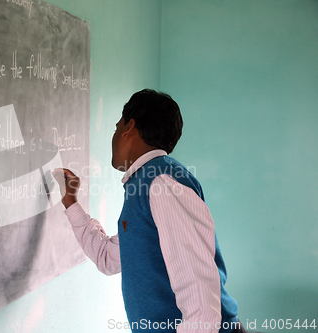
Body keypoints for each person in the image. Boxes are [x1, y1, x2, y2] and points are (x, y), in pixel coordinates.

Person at [53, 89, 245, 332]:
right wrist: (70, 202)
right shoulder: (144, 184)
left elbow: (201, 302)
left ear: (128, 127)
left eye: (116, 126)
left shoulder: (161, 183)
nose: (113, 136)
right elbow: (108, 258)